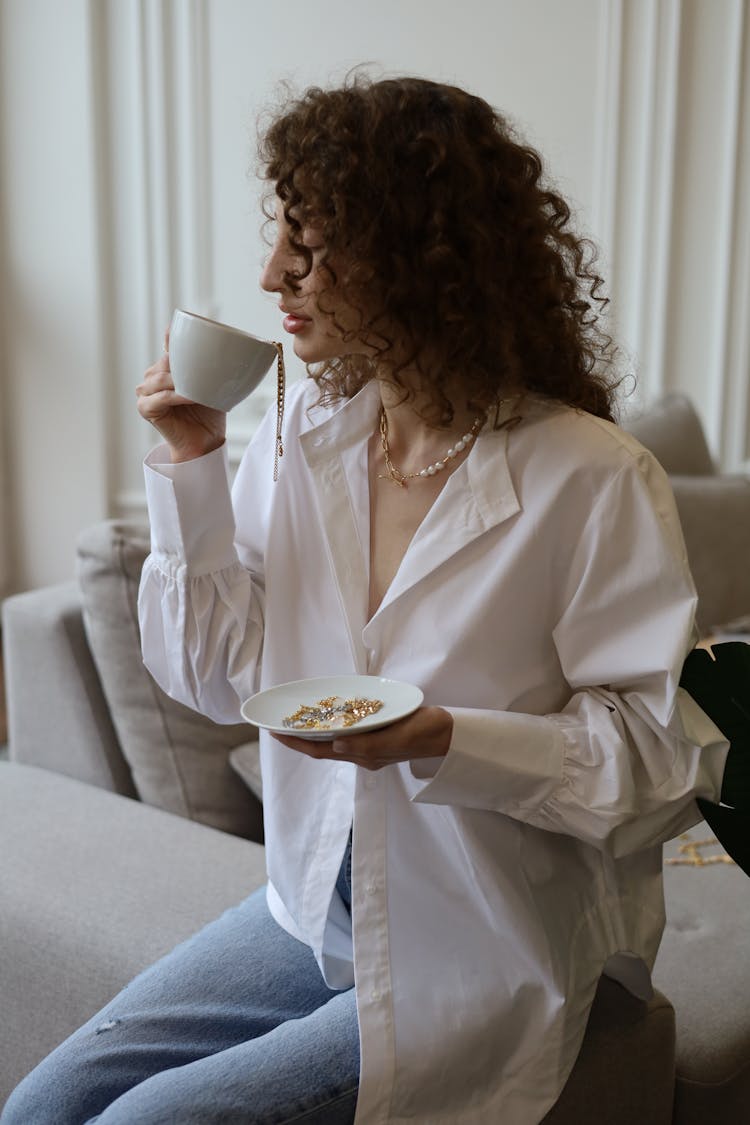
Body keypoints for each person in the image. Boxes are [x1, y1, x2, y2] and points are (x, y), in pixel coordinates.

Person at [2, 74, 728, 1125]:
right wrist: (195, 464)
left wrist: (444, 739)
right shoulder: (306, 438)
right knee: (41, 1103)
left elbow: (660, 761)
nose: (271, 273)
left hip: (487, 934)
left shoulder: (592, 477)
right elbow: (217, 679)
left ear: (418, 253)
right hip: (313, 900)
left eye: (311, 242)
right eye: (281, 235)